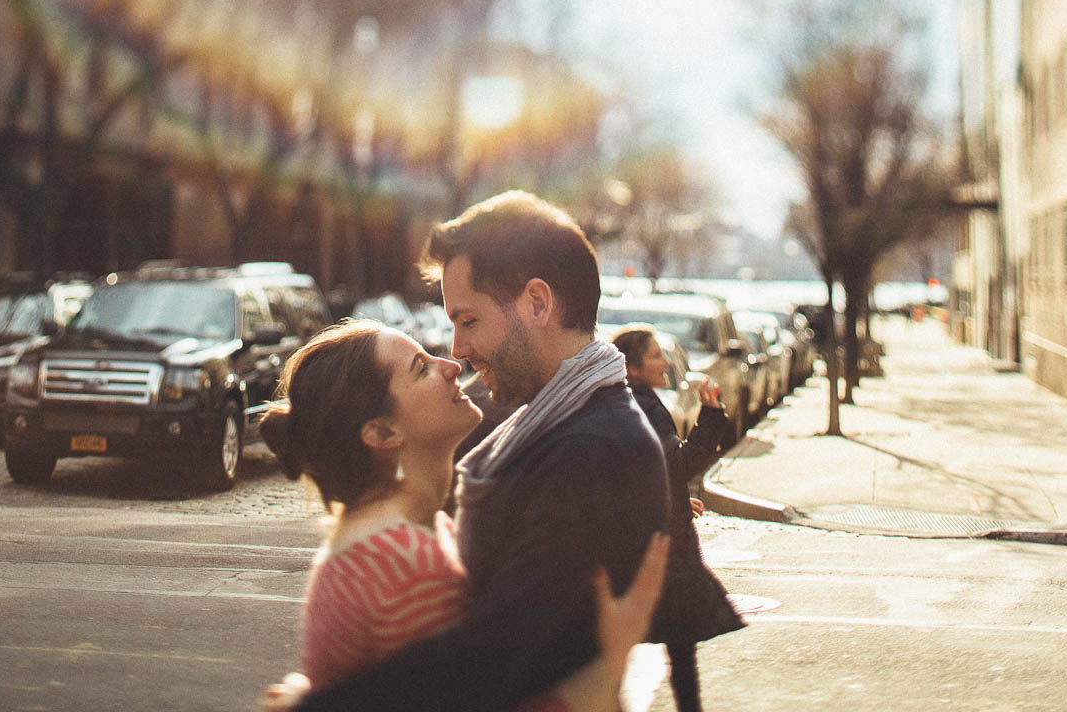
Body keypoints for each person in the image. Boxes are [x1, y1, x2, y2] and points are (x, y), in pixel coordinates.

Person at [290, 190, 670, 712]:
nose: (456, 352)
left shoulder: (593, 447)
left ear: (537, 303)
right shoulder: (542, 423)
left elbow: (486, 662)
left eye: (467, 320)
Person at [610, 324, 746, 712]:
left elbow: (644, 471)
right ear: (633, 367)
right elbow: (675, 466)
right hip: (658, 547)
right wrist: (712, 414)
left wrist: (674, 499)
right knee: (675, 638)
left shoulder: (628, 401)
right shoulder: (644, 406)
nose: (667, 362)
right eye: (657, 356)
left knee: (647, 638)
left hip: (644, 537)